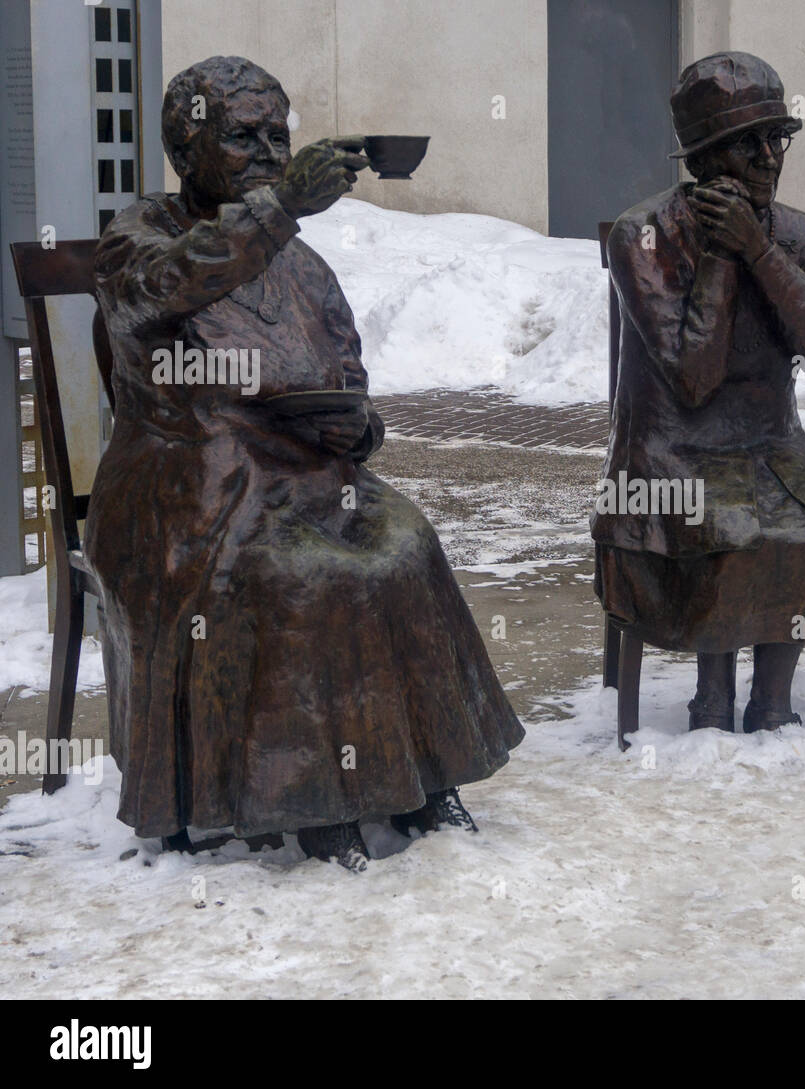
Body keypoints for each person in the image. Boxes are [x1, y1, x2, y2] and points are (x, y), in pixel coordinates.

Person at [90, 56, 523, 871]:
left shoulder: (302, 264)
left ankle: (425, 773)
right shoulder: (136, 237)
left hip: (305, 472)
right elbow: (164, 286)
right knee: (297, 574)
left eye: (277, 138)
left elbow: (345, 365)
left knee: (405, 543)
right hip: (188, 486)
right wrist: (280, 209)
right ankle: (308, 797)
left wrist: (357, 426)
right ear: (189, 149)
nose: (266, 153)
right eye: (243, 136)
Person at [592, 52, 805, 734]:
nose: (766, 156)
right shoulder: (644, 238)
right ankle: (712, 698)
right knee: (730, 526)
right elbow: (693, 380)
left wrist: (760, 251)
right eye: (744, 143)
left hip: (771, 444)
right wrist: (723, 256)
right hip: (670, 449)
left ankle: (772, 701)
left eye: (774, 137)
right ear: (702, 159)